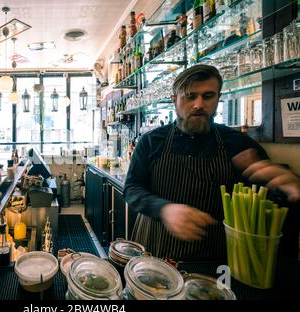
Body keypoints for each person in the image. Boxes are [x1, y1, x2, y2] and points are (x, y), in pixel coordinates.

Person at [124, 64, 300, 261]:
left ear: (218, 98)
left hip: (214, 255)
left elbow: (265, 202)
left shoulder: (238, 144)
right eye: (190, 96)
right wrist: (164, 209)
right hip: (156, 248)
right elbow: (132, 189)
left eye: (208, 96)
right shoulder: (151, 141)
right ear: (174, 100)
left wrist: (289, 188)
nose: (199, 104)